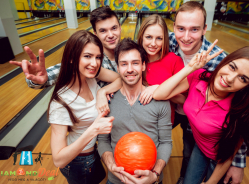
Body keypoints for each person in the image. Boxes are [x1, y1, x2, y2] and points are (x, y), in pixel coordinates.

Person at [153, 45, 249, 184]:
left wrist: (211, 182)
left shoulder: (239, 113)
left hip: (219, 161)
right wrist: (190, 67)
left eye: (243, 79)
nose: (230, 78)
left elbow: (229, 155)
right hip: (200, 147)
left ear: (248, 87)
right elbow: (159, 94)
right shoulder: (199, 77)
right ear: (225, 61)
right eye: (232, 67)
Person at [169, 2, 246, 183]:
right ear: (173, 27)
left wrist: (238, 162)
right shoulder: (166, 41)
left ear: (204, 29)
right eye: (181, 28)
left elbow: (238, 114)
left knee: (189, 153)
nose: (186, 37)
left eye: (194, 29)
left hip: (198, 117)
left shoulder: (220, 62)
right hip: (172, 106)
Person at [47, 30, 122, 184]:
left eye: (98, 57)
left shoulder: (92, 76)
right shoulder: (61, 102)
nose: (94, 63)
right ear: (72, 58)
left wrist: (103, 91)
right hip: (77, 162)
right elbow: (58, 160)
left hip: (94, 152)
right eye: (87, 56)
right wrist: (94, 130)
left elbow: (121, 79)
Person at [97, 38, 172, 184]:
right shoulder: (107, 101)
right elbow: (103, 140)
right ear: (118, 68)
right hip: (116, 179)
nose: (130, 69)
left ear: (143, 65)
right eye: (124, 64)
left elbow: (165, 142)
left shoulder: (160, 100)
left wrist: (155, 174)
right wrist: (111, 166)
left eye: (135, 63)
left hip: (151, 179)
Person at [9, 6, 121, 88]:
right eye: (103, 31)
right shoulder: (92, 60)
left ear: (120, 28)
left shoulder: (132, 52)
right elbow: (63, 69)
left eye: (114, 28)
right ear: (95, 33)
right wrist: (40, 78)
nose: (110, 35)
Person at [136, 14, 185, 124]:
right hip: (136, 120)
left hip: (162, 124)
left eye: (159, 38)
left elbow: (184, 99)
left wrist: (159, 89)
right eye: (148, 37)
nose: (153, 44)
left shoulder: (174, 61)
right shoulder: (134, 59)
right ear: (141, 36)